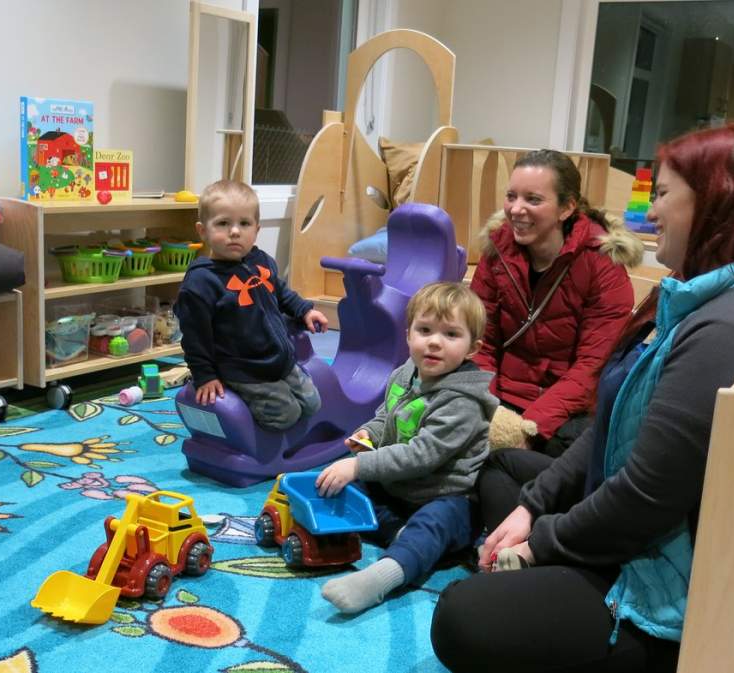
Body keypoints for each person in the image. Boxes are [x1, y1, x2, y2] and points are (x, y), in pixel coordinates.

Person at [430, 124, 734, 673]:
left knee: (459, 616)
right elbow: (610, 418)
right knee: (502, 472)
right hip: (613, 510)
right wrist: (533, 505)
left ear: (718, 202)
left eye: (663, 195)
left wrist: (541, 541)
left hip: (645, 567)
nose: (651, 213)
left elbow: (645, 495)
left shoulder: (726, 328)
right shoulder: (692, 298)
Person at [316, 282, 497, 614]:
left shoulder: (462, 401)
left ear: (473, 348)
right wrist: (366, 437)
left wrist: (361, 465)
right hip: (399, 488)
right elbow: (385, 417)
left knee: (434, 523)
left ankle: (383, 576)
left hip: (446, 496)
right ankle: (401, 533)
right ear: (408, 334)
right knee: (339, 481)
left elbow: (421, 455)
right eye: (424, 330)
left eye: (451, 335)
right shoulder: (404, 374)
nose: (434, 342)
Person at [471, 149, 642, 456]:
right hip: (498, 396)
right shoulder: (497, 251)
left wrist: (529, 427)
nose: (516, 209)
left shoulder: (601, 264)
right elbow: (480, 340)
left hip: (564, 411)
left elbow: (591, 366)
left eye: (533, 199)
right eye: (512, 196)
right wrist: (488, 410)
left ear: (567, 208)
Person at [175, 179, 329, 431]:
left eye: (244, 223)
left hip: (279, 359)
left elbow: (279, 291)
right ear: (202, 231)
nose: (235, 231)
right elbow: (194, 337)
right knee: (286, 415)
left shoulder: (260, 260)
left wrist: (305, 310)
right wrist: (205, 375)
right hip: (242, 369)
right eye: (223, 223)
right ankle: (244, 413)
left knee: (313, 404)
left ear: (256, 229)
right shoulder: (201, 282)